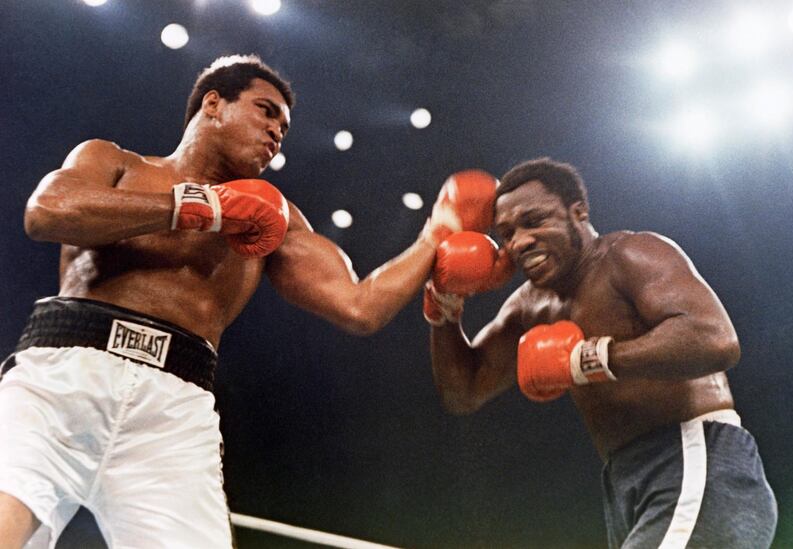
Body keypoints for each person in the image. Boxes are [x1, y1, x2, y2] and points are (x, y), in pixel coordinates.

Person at [0, 54, 498, 548]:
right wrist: (202, 207)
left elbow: (359, 307)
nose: (277, 131)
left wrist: (438, 232)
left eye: (284, 125)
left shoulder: (273, 219)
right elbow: (47, 212)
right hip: (62, 379)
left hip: (172, 412)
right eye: (266, 110)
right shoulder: (114, 162)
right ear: (214, 104)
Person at [424, 157, 778, 548]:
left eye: (535, 220)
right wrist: (444, 307)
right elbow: (464, 392)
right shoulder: (528, 306)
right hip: (624, 478)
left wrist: (588, 360)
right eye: (506, 233)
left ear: (578, 212)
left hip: (694, 456)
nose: (519, 241)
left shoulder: (630, 255)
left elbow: (715, 340)